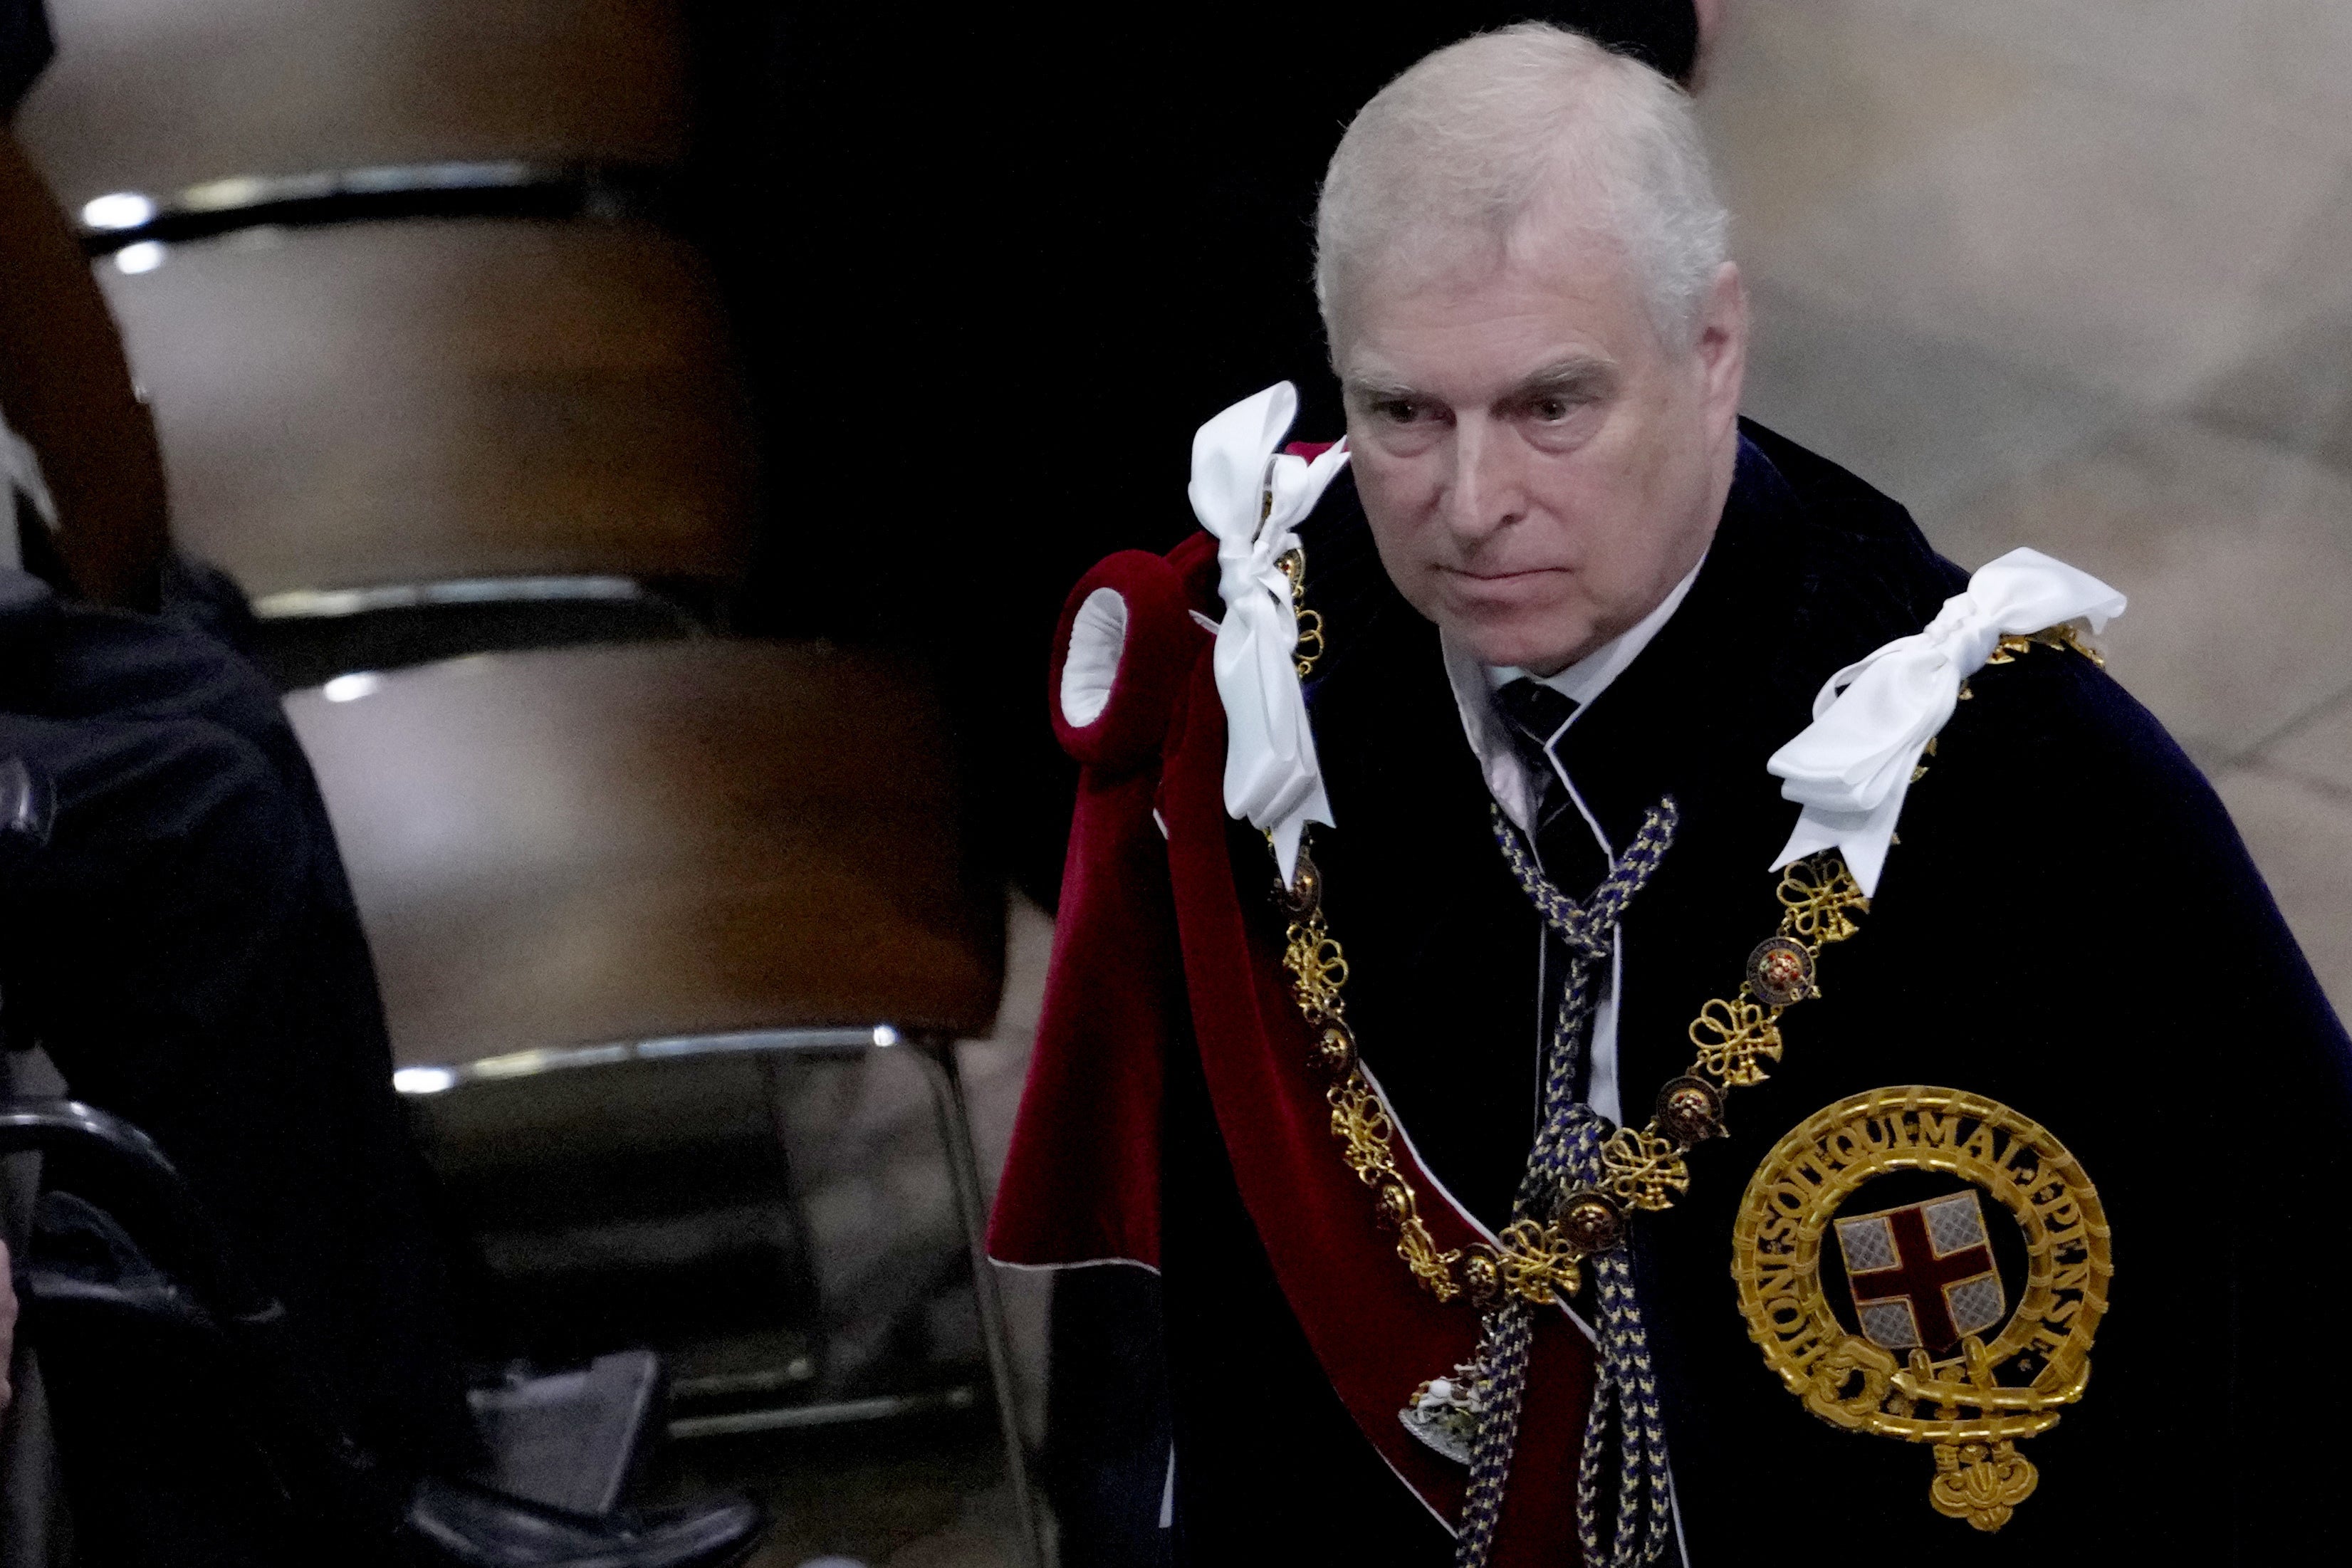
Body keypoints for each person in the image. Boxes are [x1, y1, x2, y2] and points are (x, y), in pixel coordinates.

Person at [992, 23, 2352, 1567]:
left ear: (1712, 348)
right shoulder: (1285, 688)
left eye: (1551, 408)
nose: (1472, 507)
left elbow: (2293, 1333)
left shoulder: (2032, 799)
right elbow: (1254, 1360)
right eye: (1403, 414)